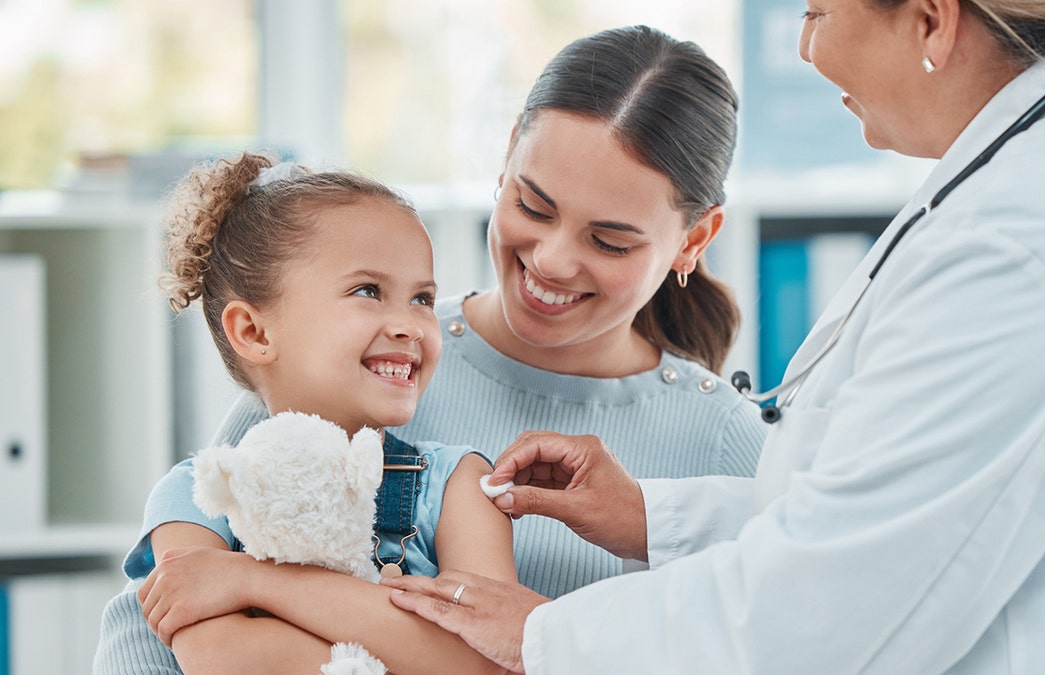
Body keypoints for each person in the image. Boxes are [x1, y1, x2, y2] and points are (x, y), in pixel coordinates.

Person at [385, 1, 1045, 673]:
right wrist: (650, 515)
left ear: (931, 21)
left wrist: (543, 636)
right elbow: (885, 516)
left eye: (814, 11)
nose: (806, 46)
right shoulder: (1043, 186)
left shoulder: (1030, 244)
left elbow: (837, 604)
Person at [97, 24, 766, 673]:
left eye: (610, 241)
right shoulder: (350, 368)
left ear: (693, 239)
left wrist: (264, 591)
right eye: (534, 206)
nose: (554, 260)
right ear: (507, 158)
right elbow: (152, 620)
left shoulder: (725, 445)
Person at [94, 152, 516, 674]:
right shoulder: (197, 496)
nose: (410, 325)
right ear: (254, 332)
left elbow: (488, 660)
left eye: (423, 298)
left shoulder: (461, 485)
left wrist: (251, 580)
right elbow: (224, 657)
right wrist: (410, 644)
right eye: (368, 291)